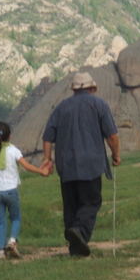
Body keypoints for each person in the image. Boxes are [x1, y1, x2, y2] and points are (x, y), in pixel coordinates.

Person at [42, 71, 120, 257]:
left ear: (74, 90)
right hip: (90, 165)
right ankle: (80, 232)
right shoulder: (99, 104)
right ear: (92, 88)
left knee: (71, 206)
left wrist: (47, 159)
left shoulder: (61, 107)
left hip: (66, 166)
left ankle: (74, 248)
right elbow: (112, 136)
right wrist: (116, 155)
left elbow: (47, 137)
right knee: (91, 202)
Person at [0, 121, 50, 260]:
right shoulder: (13, 150)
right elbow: (26, 166)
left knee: (0, 222)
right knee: (15, 218)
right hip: (11, 191)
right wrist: (41, 171)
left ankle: (0, 252)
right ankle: (12, 241)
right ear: (10, 136)